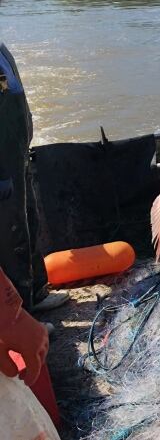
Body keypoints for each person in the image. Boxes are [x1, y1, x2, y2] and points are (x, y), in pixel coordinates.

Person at [0, 42, 67, 317]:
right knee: (10, 238)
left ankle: (36, 293)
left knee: (29, 222)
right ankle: (22, 317)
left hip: (17, 155)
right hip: (3, 169)